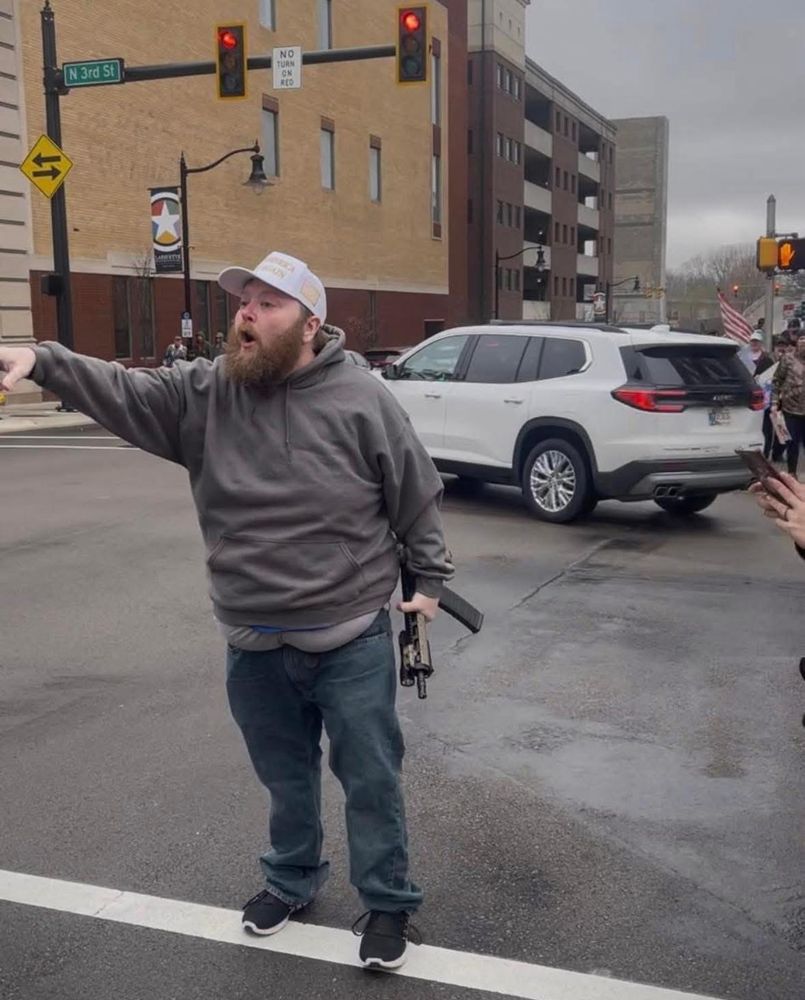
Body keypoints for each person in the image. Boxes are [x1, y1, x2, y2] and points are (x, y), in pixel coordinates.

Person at [0, 250, 453, 970]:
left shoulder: (362, 398)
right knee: (284, 777)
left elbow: (413, 490)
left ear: (310, 325)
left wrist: (427, 581)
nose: (245, 313)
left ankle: (389, 903)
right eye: (243, 301)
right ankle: (291, 880)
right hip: (253, 640)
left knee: (369, 778)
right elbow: (118, 388)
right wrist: (41, 357)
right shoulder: (204, 395)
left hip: (349, 636)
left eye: (267, 303)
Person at [771, 329, 805, 474]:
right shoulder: (787, 359)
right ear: (797, 342)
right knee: (792, 443)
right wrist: (774, 402)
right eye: (802, 339)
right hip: (791, 409)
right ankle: (792, 473)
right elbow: (776, 381)